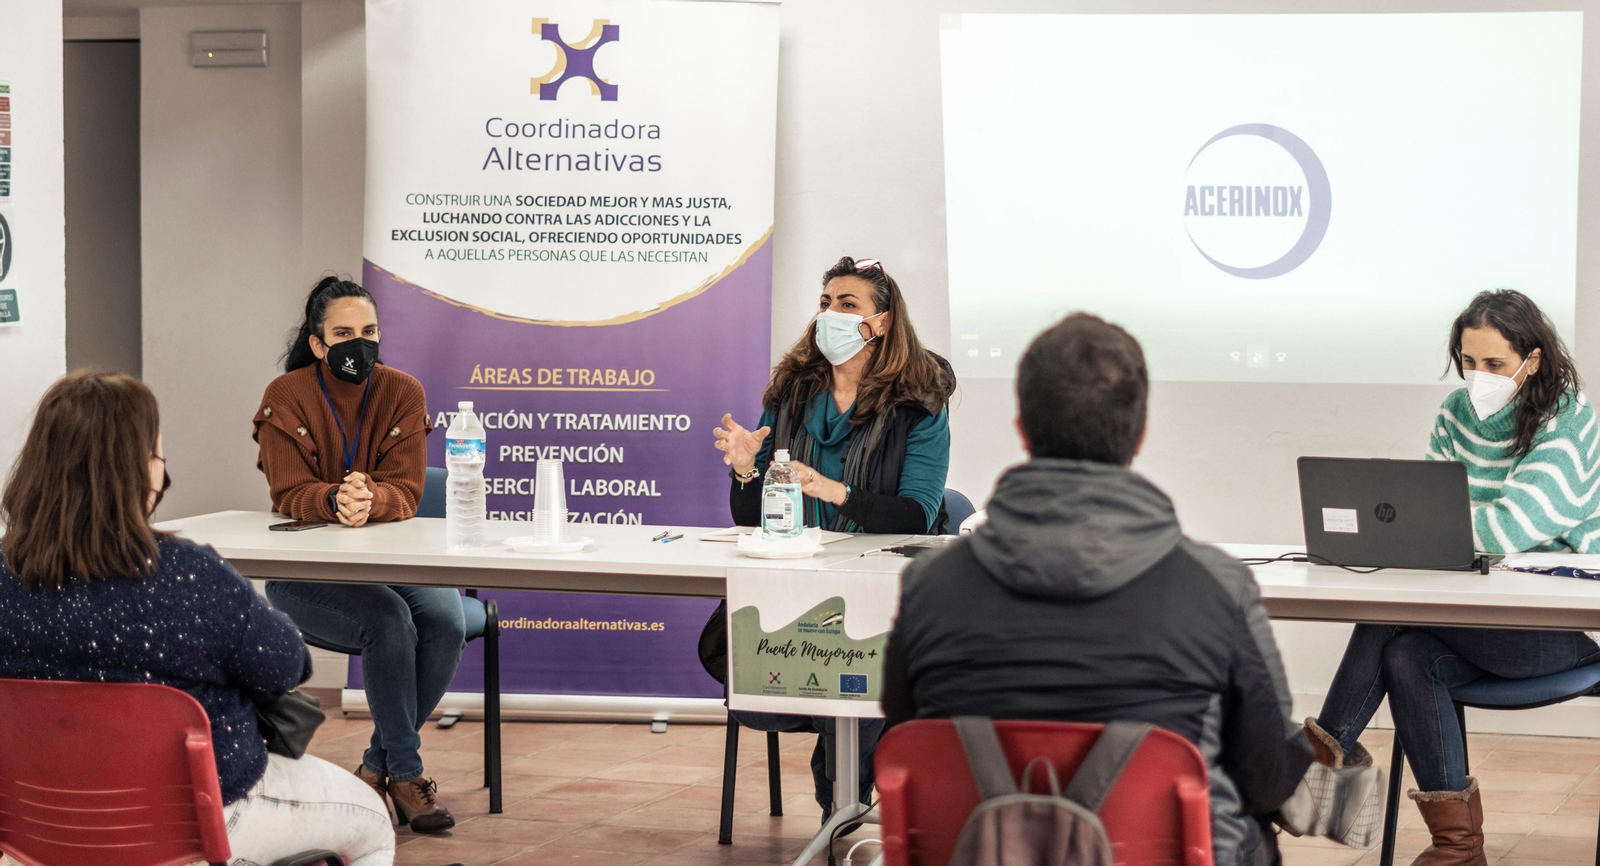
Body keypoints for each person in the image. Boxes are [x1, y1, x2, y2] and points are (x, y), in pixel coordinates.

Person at [880, 313, 1313, 866]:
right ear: (1140, 433)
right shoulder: (1216, 587)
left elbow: (905, 731)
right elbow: (1268, 775)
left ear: (1022, 428)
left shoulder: (929, 584)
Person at [0, 372, 395, 865]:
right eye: (156, 454)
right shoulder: (188, 577)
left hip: (39, 828)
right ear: (142, 471)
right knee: (375, 824)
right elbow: (287, 666)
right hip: (200, 818)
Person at [1306, 289, 1600, 866]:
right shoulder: (1454, 414)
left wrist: (1436, 531)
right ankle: (1458, 848)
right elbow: (1427, 515)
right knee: (1407, 653)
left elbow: (1513, 525)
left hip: (1553, 627)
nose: (1478, 376)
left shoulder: (1570, 417)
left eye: (1494, 364)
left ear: (1531, 360)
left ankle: (1316, 763)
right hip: (1472, 617)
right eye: (1469, 362)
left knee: (1391, 620)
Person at [710, 255, 955, 821]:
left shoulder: (919, 400)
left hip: (882, 590)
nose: (832, 316)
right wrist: (747, 469)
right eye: (826, 303)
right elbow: (753, 518)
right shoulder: (793, 389)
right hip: (796, 584)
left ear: (883, 322)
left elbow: (918, 515)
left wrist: (832, 490)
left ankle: (839, 806)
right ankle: (845, 806)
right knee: (845, 676)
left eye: (849, 305)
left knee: (863, 664)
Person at [255, 277, 463, 833]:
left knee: (446, 618)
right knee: (388, 621)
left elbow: (409, 491)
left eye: (369, 331)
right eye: (343, 333)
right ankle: (408, 772)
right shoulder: (286, 394)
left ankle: (376, 768)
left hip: (392, 562)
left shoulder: (403, 391)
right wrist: (331, 498)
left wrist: (369, 500)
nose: (359, 343)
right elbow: (287, 492)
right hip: (306, 574)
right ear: (319, 344)